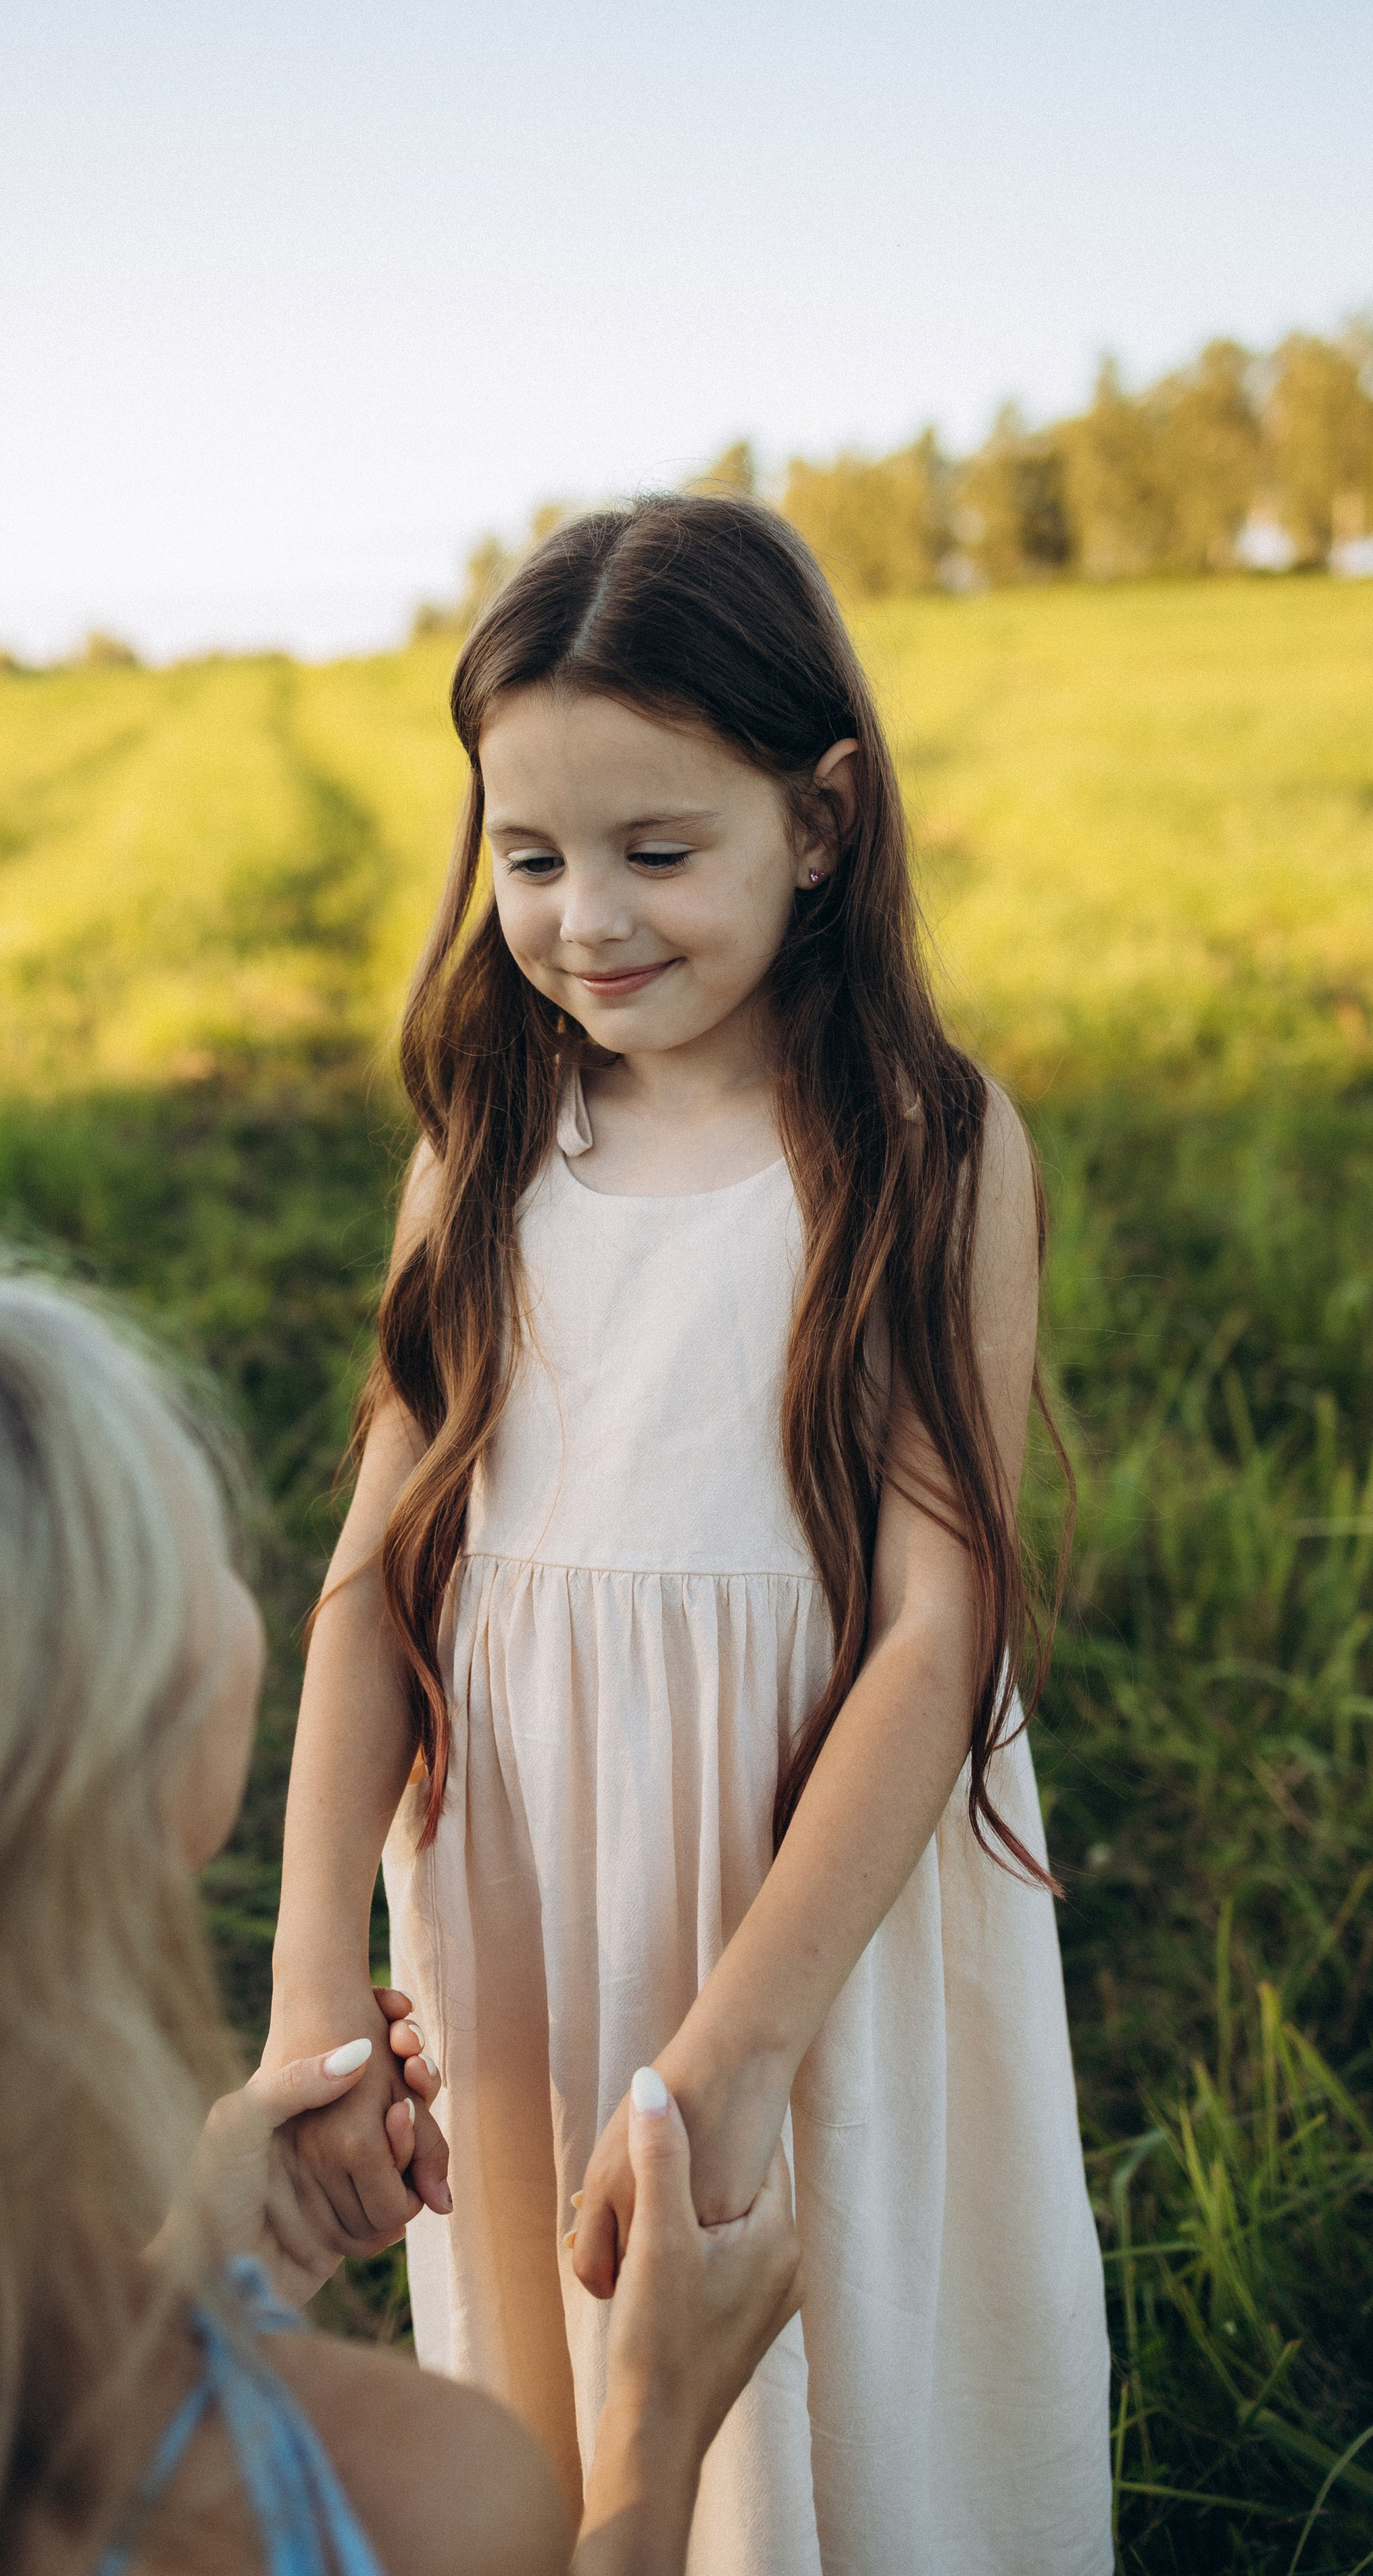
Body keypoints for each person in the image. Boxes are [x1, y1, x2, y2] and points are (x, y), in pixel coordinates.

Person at [266, 496, 1114, 2573]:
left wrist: (740, 2043)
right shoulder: (480, 1149)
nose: (586, 921)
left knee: (851, 2420)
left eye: (658, 853)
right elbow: (372, 1593)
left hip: (802, 1915)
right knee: (562, 2399)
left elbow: (936, 1633)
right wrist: (307, 2003)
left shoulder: (923, 1150)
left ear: (818, 822)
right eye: (531, 858)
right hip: (524, 1902)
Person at [0, 1203, 801, 2576]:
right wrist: (655, 2426)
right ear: (127, 1767)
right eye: (198, 1562)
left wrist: (185, 2271)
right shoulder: (406, 2498)